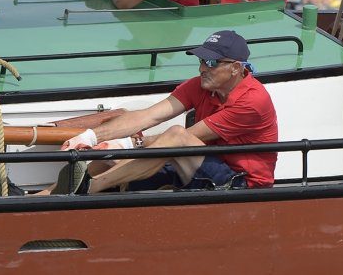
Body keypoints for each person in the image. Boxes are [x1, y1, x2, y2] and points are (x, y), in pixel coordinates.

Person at [50, 30, 278, 193]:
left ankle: (89, 188)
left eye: (210, 62)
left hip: (243, 186)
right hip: (202, 167)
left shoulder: (253, 101)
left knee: (176, 134)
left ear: (236, 68)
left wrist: (127, 145)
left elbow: (185, 138)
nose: (202, 68)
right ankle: (48, 196)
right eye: (200, 60)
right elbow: (148, 116)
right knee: (107, 158)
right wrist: (91, 137)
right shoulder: (201, 84)